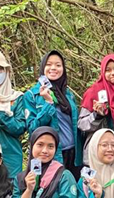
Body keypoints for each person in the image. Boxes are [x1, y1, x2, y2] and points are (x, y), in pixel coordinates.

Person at [23, 50, 83, 180]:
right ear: (42, 67)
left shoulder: (68, 94)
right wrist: (48, 104)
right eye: (49, 65)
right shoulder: (32, 95)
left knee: (73, 193)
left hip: (73, 154)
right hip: (50, 154)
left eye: (58, 65)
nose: (53, 68)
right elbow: (32, 128)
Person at [79, 54, 114, 161]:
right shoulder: (93, 92)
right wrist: (97, 115)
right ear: (103, 72)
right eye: (108, 70)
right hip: (97, 156)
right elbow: (82, 125)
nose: (113, 73)